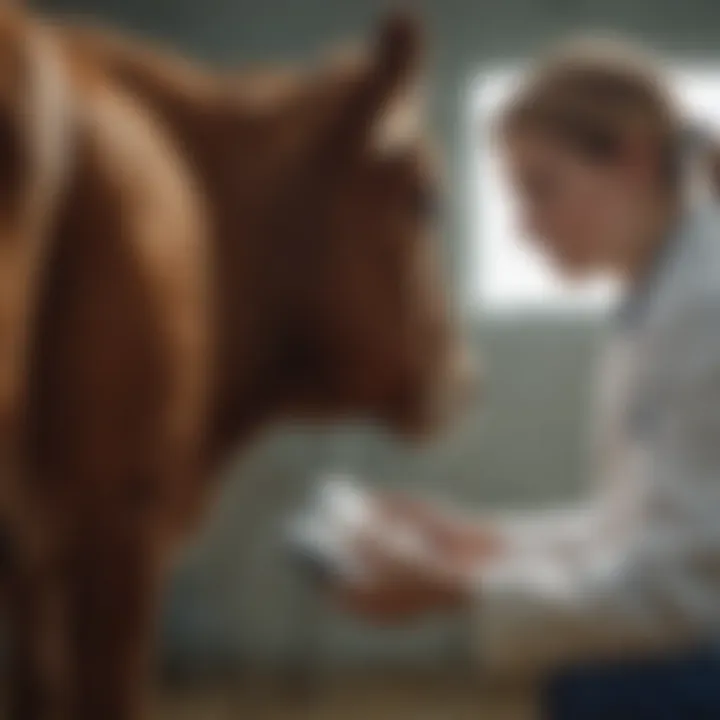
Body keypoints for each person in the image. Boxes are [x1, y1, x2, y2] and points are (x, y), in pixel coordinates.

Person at [332, 36, 720, 718]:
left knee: (606, 695)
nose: (523, 228)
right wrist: (482, 544)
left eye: (541, 188)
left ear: (633, 159)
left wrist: (463, 589)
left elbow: (692, 591)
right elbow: (646, 527)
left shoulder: (706, 304)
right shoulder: (661, 297)